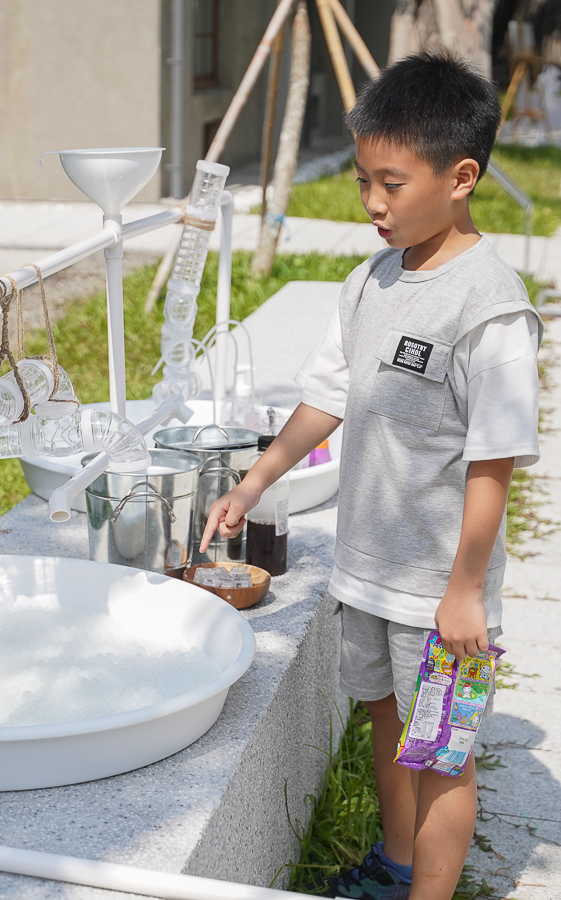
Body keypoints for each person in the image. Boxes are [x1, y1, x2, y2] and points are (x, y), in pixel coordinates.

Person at [200, 51, 542, 900]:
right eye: (362, 181)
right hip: (368, 573)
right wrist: (258, 481)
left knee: (441, 759)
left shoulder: (489, 307)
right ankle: (395, 868)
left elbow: (492, 464)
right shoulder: (369, 282)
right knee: (388, 728)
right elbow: (327, 397)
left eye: (392, 182)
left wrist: (465, 591)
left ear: (461, 177)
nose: (373, 204)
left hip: (440, 597)